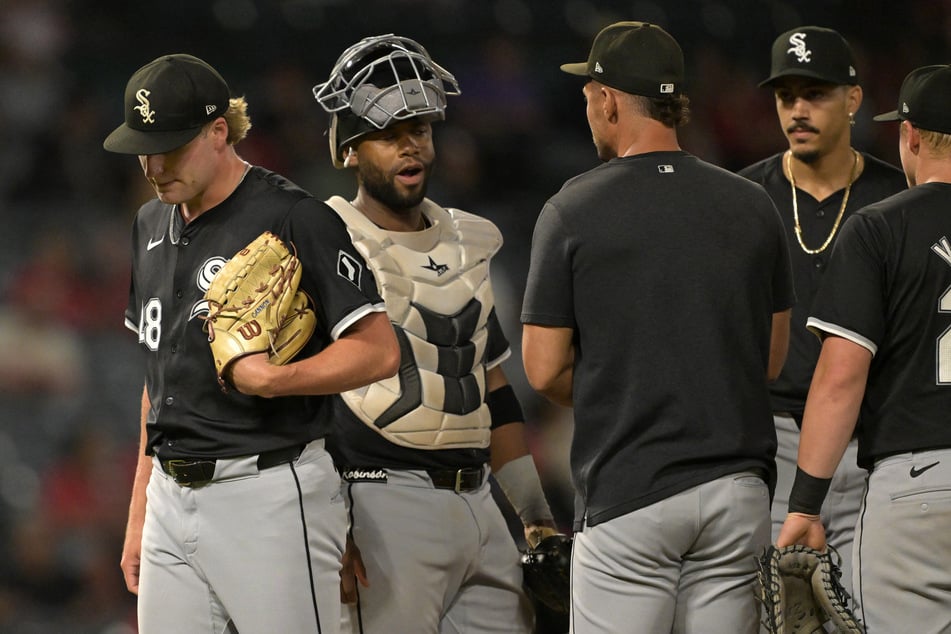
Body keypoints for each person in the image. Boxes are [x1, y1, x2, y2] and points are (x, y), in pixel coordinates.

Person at [103, 53, 400, 634]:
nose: (154, 164)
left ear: (220, 132)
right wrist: (140, 510)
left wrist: (276, 380)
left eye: (171, 144)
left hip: (267, 489)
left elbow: (379, 349)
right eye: (144, 147)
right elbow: (157, 381)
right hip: (169, 493)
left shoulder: (293, 217)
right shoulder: (148, 224)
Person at [520, 21, 795, 634]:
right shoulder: (753, 203)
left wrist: (619, 389)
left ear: (608, 99)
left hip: (630, 489)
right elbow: (770, 359)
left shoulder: (573, 208)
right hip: (737, 491)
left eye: (590, 91)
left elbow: (542, 368)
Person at [311, 34, 559, 634]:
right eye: (389, 131)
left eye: (419, 128)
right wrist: (325, 526)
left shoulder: (470, 239)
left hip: (479, 503)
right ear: (348, 149)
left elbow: (490, 385)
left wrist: (534, 516)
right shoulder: (321, 238)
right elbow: (298, 401)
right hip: (378, 501)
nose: (410, 145)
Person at [777, 63, 951, 634]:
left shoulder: (879, 228)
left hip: (916, 485)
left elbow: (840, 379)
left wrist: (804, 504)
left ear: (910, 136)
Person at [737, 25, 907, 593]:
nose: (798, 110)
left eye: (816, 94)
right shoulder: (743, 197)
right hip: (775, 441)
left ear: (853, 99)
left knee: (873, 614)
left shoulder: (896, 197)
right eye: (787, 97)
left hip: (873, 445)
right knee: (766, 616)